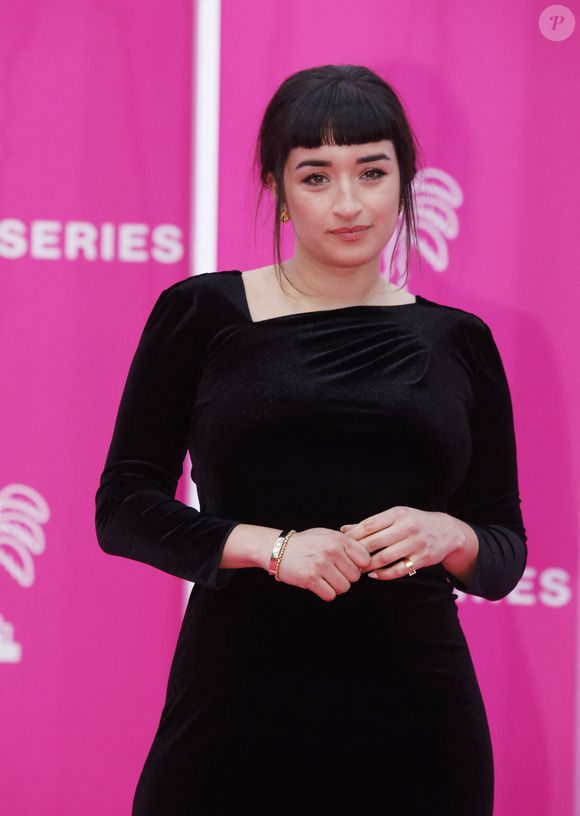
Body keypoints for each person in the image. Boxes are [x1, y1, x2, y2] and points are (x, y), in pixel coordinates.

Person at [95, 64, 527, 814]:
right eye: (317, 176)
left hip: (418, 720)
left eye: (372, 171)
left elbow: (502, 550)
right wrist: (274, 546)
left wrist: (447, 532)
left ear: (406, 179)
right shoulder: (202, 314)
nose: (350, 203)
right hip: (234, 706)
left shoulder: (460, 342)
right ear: (278, 187)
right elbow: (124, 508)